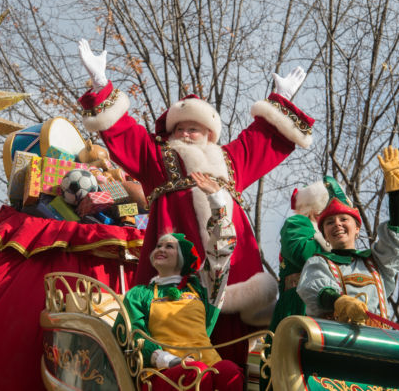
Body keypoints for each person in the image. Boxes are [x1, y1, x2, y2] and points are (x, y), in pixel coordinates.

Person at [77, 39, 315, 361]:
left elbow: (260, 139)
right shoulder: (158, 159)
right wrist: (102, 84)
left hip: (234, 261)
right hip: (178, 259)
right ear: (171, 134)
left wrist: (281, 99)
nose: (188, 134)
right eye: (182, 129)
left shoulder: (230, 159)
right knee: (172, 329)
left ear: (210, 134)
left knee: (237, 340)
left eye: (195, 129)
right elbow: (124, 133)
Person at [114, 172, 242, 390]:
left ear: (182, 257)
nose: (161, 249)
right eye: (159, 246)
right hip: (162, 373)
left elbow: (221, 253)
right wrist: (165, 359)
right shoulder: (139, 294)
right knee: (197, 373)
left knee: (230, 370)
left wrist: (217, 202)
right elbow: (131, 334)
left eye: (169, 246)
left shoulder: (201, 287)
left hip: (207, 366)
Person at [296, 147, 399, 326]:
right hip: (338, 344)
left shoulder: (376, 262)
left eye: (344, 219)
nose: (337, 224)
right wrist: (339, 302)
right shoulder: (319, 263)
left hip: (379, 343)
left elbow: (396, 243)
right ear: (325, 235)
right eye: (329, 223)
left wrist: (395, 194)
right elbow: (314, 288)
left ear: (357, 228)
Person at [260, 180, 332, 389]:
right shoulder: (298, 223)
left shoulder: (328, 232)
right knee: (291, 365)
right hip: (299, 305)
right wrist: (326, 242)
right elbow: (303, 253)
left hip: (328, 306)